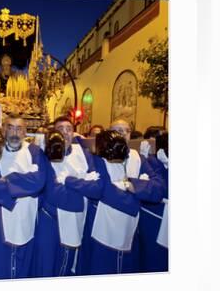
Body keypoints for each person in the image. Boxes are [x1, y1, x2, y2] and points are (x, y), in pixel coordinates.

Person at [0, 116, 47, 280]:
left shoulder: (34, 151)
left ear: (25, 132)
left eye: (19, 128)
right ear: (3, 130)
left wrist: (8, 179)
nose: (15, 132)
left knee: (24, 264)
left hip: (26, 215)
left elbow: (39, 182)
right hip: (0, 214)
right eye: (11, 127)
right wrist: (22, 189)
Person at [85, 124, 164, 275]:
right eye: (118, 131)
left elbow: (158, 189)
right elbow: (103, 190)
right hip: (101, 230)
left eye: (127, 131)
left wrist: (132, 184)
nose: (123, 134)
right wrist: (137, 195)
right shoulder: (97, 158)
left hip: (130, 232)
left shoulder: (137, 158)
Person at [33, 116, 103, 277]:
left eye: (68, 129)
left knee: (67, 263)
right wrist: (82, 194)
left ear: (74, 133)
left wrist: (69, 181)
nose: (65, 133)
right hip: (51, 217)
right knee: (47, 262)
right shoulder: (44, 154)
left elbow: (97, 188)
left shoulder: (84, 154)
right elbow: (51, 191)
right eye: (60, 129)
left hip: (76, 218)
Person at [138, 131, 169, 272]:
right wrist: (145, 159)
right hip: (153, 213)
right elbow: (157, 186)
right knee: (152, 255)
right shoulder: (150, 160)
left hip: (166, 212)